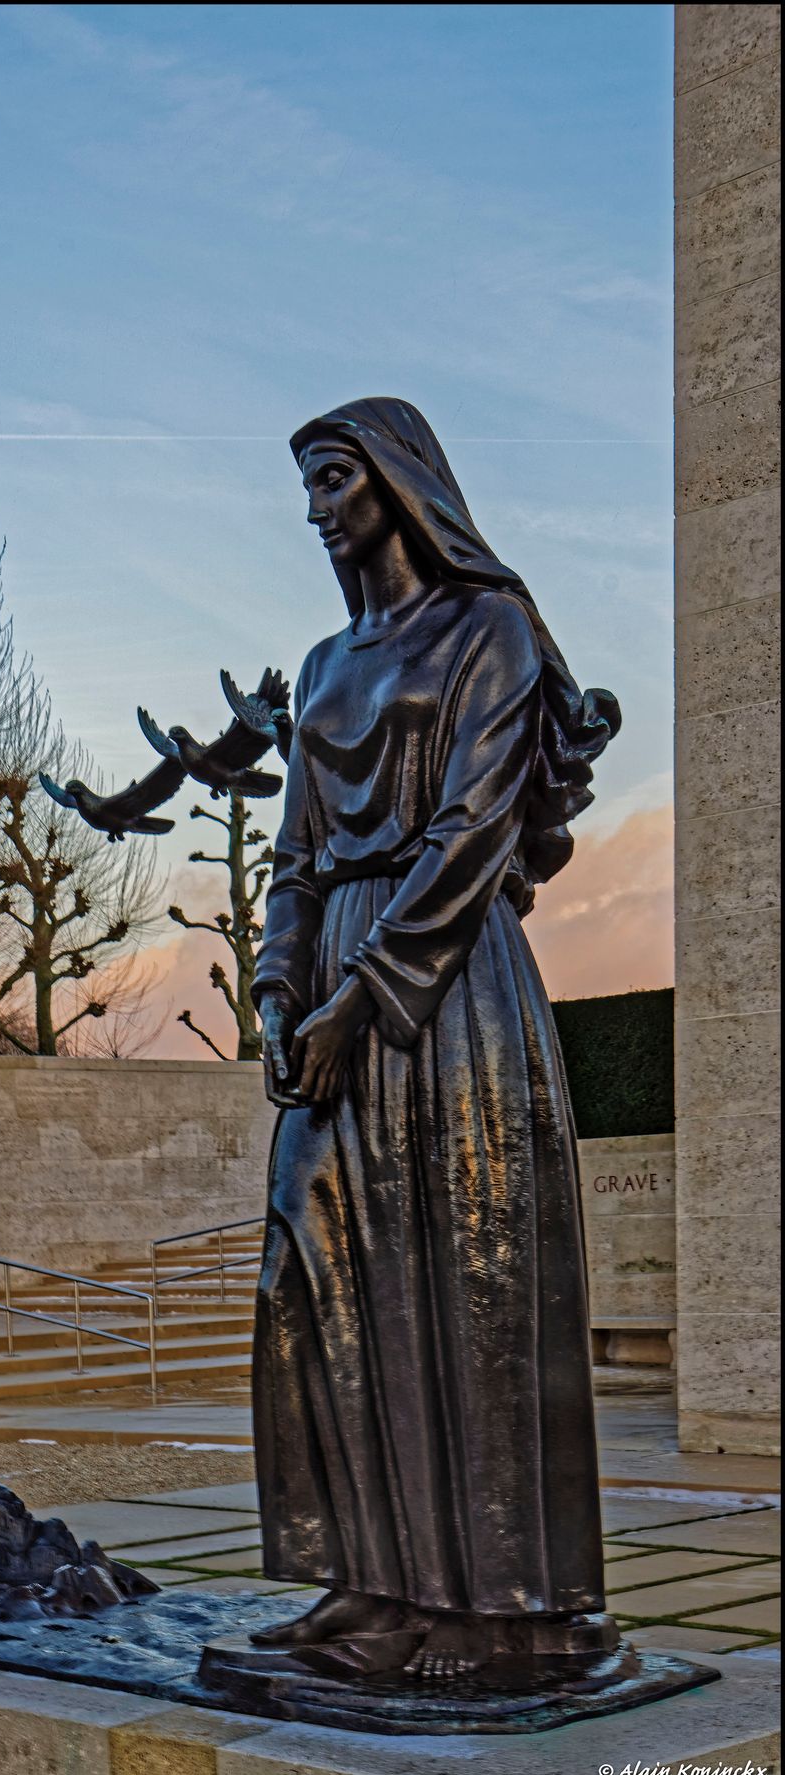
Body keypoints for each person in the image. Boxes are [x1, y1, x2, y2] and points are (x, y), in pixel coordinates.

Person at [249, 397, 620, 1679]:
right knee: (313, 1269)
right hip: (343, 978)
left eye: (335, 477)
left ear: (398, 485)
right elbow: (293, 854)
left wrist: (364, 995)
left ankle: (488, 1603)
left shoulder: (489, 628)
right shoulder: (319, 663)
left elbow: (473, 833)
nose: (316, 507)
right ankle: (366, 1580)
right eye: (304, 483)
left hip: (445, 982)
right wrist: (277, 993)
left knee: (461, 1288)